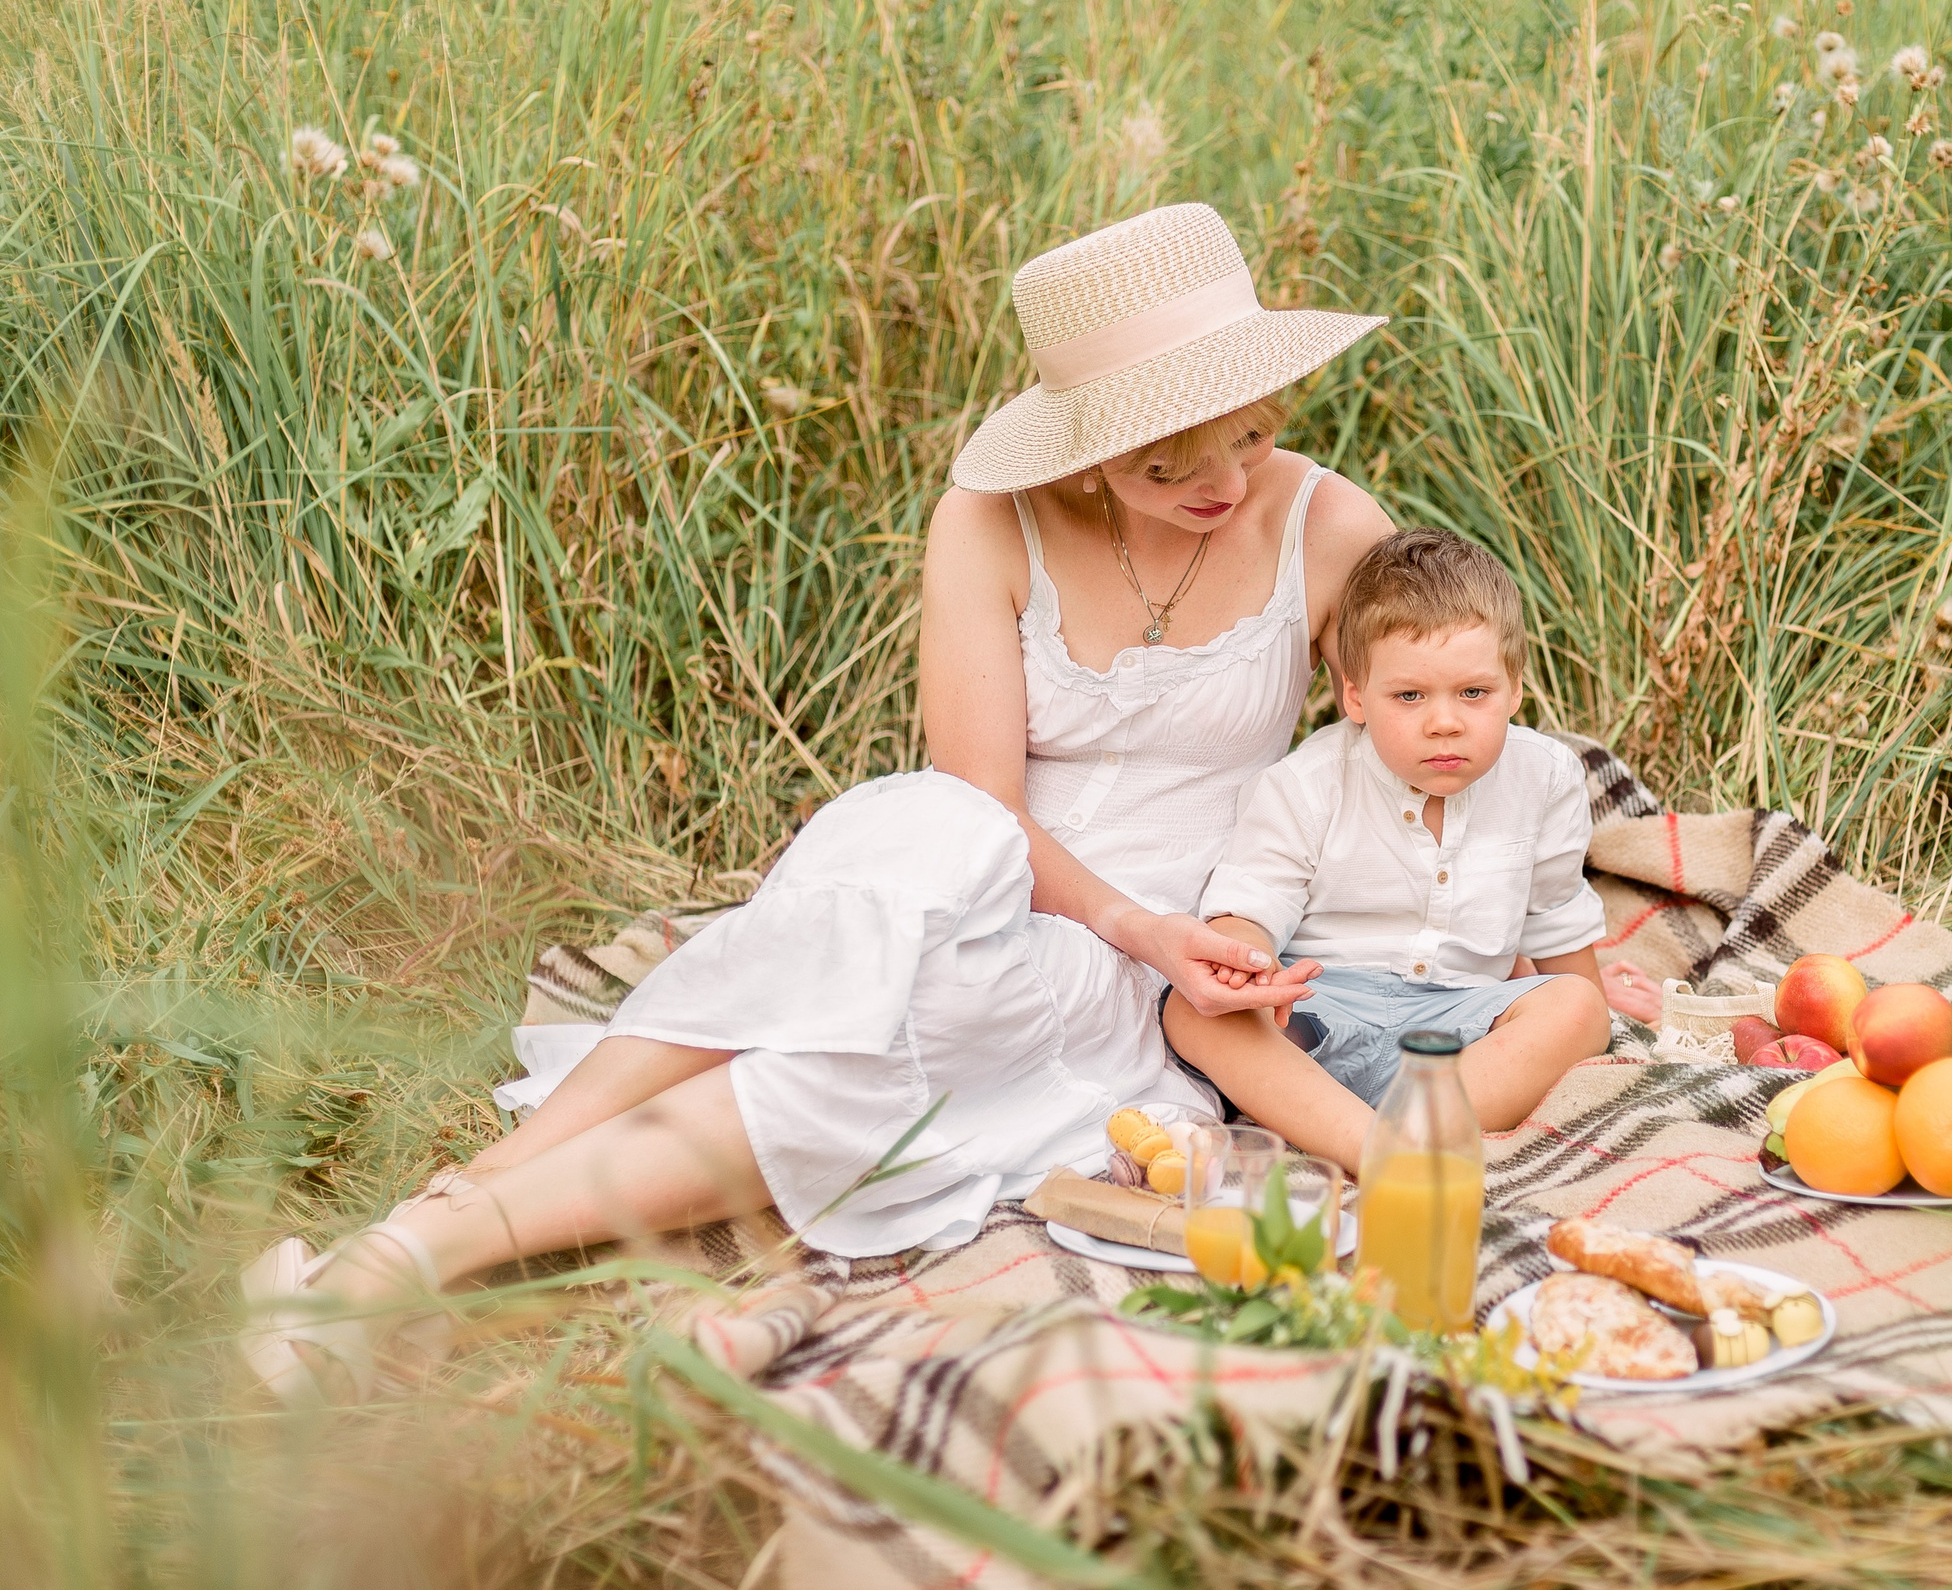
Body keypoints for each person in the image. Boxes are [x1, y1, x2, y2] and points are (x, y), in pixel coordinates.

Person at [242, 203, 1397, 1402]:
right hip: (989, 859)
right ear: (1085, 449)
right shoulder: (991, 522)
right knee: (909, 871)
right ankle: (480, 1187)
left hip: (1149, 948)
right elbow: (984, 801)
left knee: (879, 1053)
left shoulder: (1328, 526)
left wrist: (1333, 929)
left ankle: (406, 1252)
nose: (1225, 482)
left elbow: (1426, 731)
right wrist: (1127, 922)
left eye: (1252, 434)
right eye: (1166, 465)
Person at [1168, 529, 1612, 1174]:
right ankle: (1376, 1147)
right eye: (1409, 696)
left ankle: (1400, 1132)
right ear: (1356, 696)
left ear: (1515, 687)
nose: (1444, 722)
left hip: (1462, 1026)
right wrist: (1250, 966)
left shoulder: (1545, 776)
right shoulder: (1308, 783)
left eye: (1474, 693)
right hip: (1318, 1009)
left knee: (1578, 1008)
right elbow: (1250, 906)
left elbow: (1556, 917)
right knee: (1193, 1012)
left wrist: (1591, 1022)